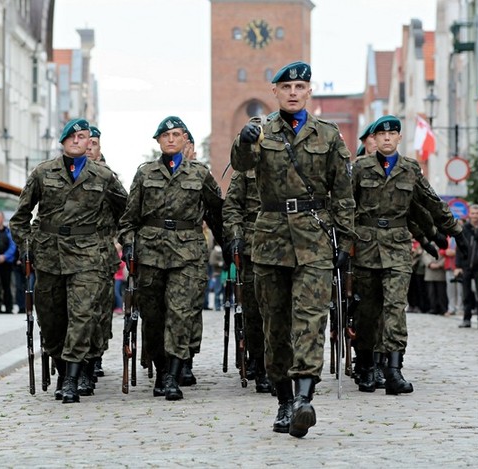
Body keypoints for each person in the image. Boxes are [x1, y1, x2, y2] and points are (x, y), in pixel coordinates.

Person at [231, 61, 355, 438]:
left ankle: (304, 398)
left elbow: (343, 193)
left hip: (314, 236)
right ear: (275, 92)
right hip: (269, 238)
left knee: (311, 319)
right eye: (286, 87)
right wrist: (243, 139)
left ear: (309, 91)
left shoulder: (328, 135)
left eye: (300, 86)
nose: (293, 92)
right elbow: (240, 164)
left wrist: (344, 238)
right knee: (275, 325)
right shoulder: (260, 132)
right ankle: (284, 401)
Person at [10, 117, 127, 404]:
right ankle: (63, 371)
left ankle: (73, 379)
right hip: (49, 255)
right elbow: (20, 218)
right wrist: (28, 247)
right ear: (63, 141)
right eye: (72, 136)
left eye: (83, 136)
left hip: (89, 256)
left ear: (91, 142)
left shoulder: (103, 176)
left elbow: (126, 213)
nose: (77, 140)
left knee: (82, 315)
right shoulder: (41, 173)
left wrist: (117, 241)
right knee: (51, 320)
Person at [350, 114, 465, 396]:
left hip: (398, 247)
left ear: (400, 138)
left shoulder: (410, 169)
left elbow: (430, 203)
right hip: (365, 246)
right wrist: (343, 244)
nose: (387, 138)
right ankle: (365, 364)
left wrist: (458, 231)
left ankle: (393, 370)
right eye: (381, 135)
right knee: (368, 311)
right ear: (373, 140)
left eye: (393, 134)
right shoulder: (359, 169)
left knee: (395, 307)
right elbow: (344, 206)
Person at [118, 116, 223, 401]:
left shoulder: (200, 174)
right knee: (154, 318)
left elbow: (218, 213)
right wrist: (129, 245)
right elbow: (128, 219)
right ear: (158, 141)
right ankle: (161, 367)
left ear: (186, 140)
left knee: (180, 314)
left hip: (188, 254)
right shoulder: (145, 174)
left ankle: (172, 376)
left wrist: (229, 245)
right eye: (166, 135)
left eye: (177, 134)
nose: (171, 139)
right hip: (151, 254)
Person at [223, 169, 272, 393]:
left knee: (287, 309)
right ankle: (260, 365)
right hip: (254, 246)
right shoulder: (246, 166)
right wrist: (236, 236)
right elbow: (232, 206)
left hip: (291, 241)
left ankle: (282, 367)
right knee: (254, 312)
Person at [81, 125, 121, 386]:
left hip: (102, 254)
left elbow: (125, 214)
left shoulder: (108, 178)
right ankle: (79, 361)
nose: (89, 147)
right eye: (86, 142)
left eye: (93, 142)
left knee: (99, 311)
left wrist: (118, 242)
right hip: (71, 255)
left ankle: (95, 356)